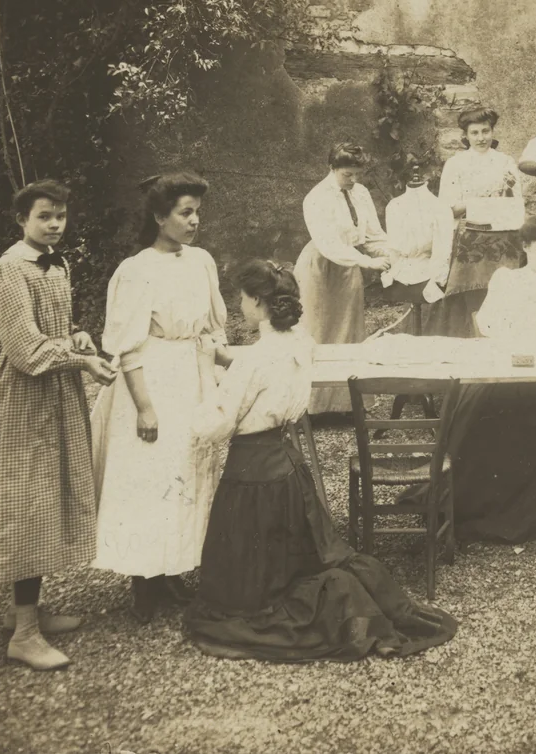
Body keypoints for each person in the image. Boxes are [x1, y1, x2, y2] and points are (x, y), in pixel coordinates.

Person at [184, 260, 457, 661]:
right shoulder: (300, 343)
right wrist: (228, 361)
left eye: (242, 298)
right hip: (287, 469)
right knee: (300, 561)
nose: (239, 304)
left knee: (254, 588)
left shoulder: (256, 360)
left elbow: (214, 425)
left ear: (257, 302)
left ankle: (327, 608)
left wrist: (205, 369)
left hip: (253, 474)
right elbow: (262, 381)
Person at [0, 181, 117, 670]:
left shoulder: (56, 264)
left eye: (60, 216)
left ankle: (22, 612)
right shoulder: (9, 269)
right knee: (27, 504)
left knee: (46, 500)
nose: (54, 224)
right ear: (21, 219)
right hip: (23, 402)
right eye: (44, 216)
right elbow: (26, 350)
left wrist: (77, 335)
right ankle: (24, 636)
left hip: (56, 396)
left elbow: (52, 329)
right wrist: (83, 362)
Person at [402, 216, 536, 543]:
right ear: (526, 247)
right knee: (481, 403)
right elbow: (488, 323)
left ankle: (528, 510)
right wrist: (517, 332)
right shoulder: (507, 280)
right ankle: (474, 502)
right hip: (505, 369)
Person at [91, 172, 228, 624]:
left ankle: (173, 569)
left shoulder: (202, 261)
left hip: (191, 375)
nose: (194, 221)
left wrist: (222, 376)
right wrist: (145, 407)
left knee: (185, 473)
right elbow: (128, 347)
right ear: (159, 216)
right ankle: (143, 581)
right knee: (148, 477)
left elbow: (214, 327)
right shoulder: (137, 270)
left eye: (197, 213)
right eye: (185, 213)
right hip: (150, 381)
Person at [295, 143, 391, 414]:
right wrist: (367, 262)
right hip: (321, 267)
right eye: (347, 174)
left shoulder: (360, 193)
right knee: (318, 330)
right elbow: (330, 245)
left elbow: (372, 234)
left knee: (348, 330)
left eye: (358, 174)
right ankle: (312, 408)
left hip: (349, 268)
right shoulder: (316, 198)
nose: (353, 180)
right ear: (332, 168)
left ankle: (347, 405)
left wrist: (391, 252)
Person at [381, 154, 454, 311]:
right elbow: (393, 249)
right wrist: (393, 269)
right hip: (398, 274)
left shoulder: (440, 207)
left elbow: (442, 251)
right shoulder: (394, 206)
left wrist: (436, 279)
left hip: (428, 274)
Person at [438, 107, 524, 220]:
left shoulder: (506, 162)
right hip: (467, 226)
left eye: (485, 131)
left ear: (492, 131)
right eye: (474, 133)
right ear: (466, 135)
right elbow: (446, 211)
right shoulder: (455, 164)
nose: (481, 138)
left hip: (500, 224)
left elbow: (516, 204)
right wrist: (479, 202)